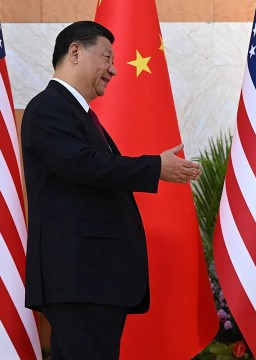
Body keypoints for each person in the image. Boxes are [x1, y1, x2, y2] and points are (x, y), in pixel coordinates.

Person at [21, 21, 202, 359]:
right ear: (75, 51)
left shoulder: (76, 113)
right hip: (80, 280)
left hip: (93, 281)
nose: (114, 70)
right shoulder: (49, 108)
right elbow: (83, 165)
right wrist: (154, 168)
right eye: (106, 57)